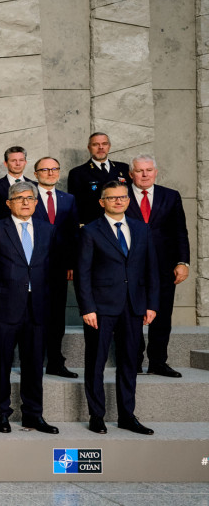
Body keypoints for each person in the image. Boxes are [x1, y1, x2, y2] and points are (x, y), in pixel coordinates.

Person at [0, 182, 59, 435]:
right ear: (9, 203)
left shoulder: (48, 230)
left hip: (38, 308)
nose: (25, 202)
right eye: (19, 198)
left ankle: (33, 415)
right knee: (1, 363)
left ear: (36, 202)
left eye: (30, 198)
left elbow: (53, 268)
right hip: (3, 308)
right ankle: (1, 414)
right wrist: (2, 292)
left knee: (34, 364)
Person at [74, 181, 158, 435]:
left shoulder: (142, 229)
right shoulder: (90, 231)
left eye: (122, 197)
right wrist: (87, 307)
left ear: (128, 200)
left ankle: (126, 416)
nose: (119, 201)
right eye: (112, 198)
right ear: (102, 202)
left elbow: (151, 269)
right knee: (96, 362)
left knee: (129, 362)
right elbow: (82, 273)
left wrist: (151, 304)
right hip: (100, 308)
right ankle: (96, 415)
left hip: (133, 306)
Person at [124, 156, 189, 378]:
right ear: (131, 174)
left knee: (161, 314)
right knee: (132, 314)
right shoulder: (120, 194)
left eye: (148, 170)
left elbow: (180, 231)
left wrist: (182, 262)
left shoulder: (170, 196)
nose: (144, 174)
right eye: (139, 171)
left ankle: (158, 362)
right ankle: (134, 361)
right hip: (129, 266)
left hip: (163, 266)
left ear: (156, 172)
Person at [32, 157, 79, 378]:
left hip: (58, 267)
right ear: (36, 173)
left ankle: (55, 361)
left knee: (57, 317)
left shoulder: (68, 199)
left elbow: (73, 234)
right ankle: (33, 360)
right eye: (45, 169)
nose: (50, 172)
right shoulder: (27, 196)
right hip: (32, 266)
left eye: (54, 169)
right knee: (34, 314)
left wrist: (71, 263)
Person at [68, 132, 132, 225]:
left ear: (109, 146)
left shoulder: (123, 168)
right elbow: (75, 206)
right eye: (95, 144)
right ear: (89, 148)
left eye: (104, 144)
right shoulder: (78, 173)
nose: (101, 147)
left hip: (121, 223)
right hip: (94, 225)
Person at [0, 146, 35, 225]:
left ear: (25, 162)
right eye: (13, 160)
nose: (18, 163)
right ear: (5, 163)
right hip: (5, 233)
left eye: (21, 160)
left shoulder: (35, 185)